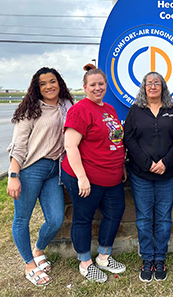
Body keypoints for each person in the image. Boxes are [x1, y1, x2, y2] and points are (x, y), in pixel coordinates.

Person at [7, 67, 74, 287]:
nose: (48, 86)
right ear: (37, 87)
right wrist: (13, 175)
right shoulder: (31, 110)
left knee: (55, 219)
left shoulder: (67, 105)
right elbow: (18, 145)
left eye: (52, 81)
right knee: (22, 219)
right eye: (43, 83)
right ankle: (29, 264)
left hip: (56, 169)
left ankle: (38, 249)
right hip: (31, 170)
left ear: (59, 82)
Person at [61, 64, 126, 283]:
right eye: (93, 85)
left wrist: (121, 165)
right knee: (83, 218)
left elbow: (114, 139)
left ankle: (104, 256)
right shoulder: (80, 110)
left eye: (101, 84)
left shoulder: (109, 108)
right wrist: (81, 177)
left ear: (106, 85)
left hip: (112, 176)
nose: (97, 88)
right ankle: (85, 263)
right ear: (84, 87)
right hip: (87, 177)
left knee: (115, 212)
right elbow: (70, 146)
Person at [124, 72, 173, 282]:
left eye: (156, 83)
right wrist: (147, 163)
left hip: (167, 175)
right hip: (141, 175)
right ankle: (147, 259)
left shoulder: (172, 110)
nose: (152, 86)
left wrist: (165, 163)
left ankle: (160, 259)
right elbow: (129, 140)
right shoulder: (135, 111)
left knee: (163, 219)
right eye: (148, 83)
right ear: (143, 87)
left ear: (163, 87)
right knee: (143, 218)